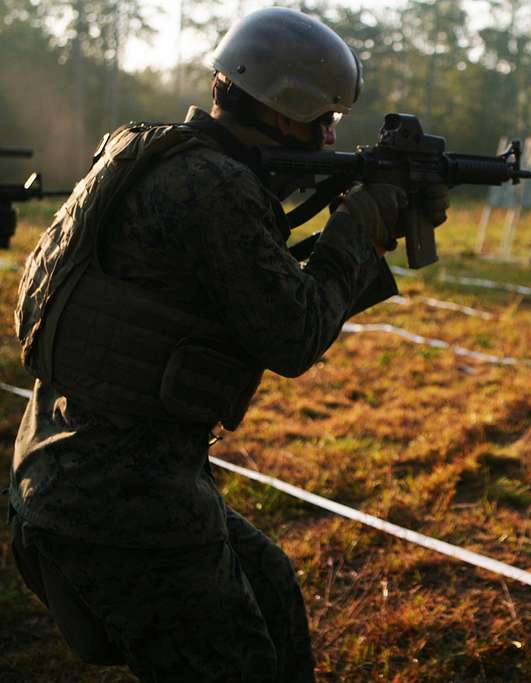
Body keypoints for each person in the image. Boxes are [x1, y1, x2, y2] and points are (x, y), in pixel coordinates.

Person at [7, 7, 447, 681]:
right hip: (120, 491)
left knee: (270, 585)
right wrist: (358, 226)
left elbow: (235, 282)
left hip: (76, 455)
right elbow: (293, 333)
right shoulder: (214, 186)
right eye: (324, 119)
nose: (330, 137)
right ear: (283, 110)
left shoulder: (152, 152)